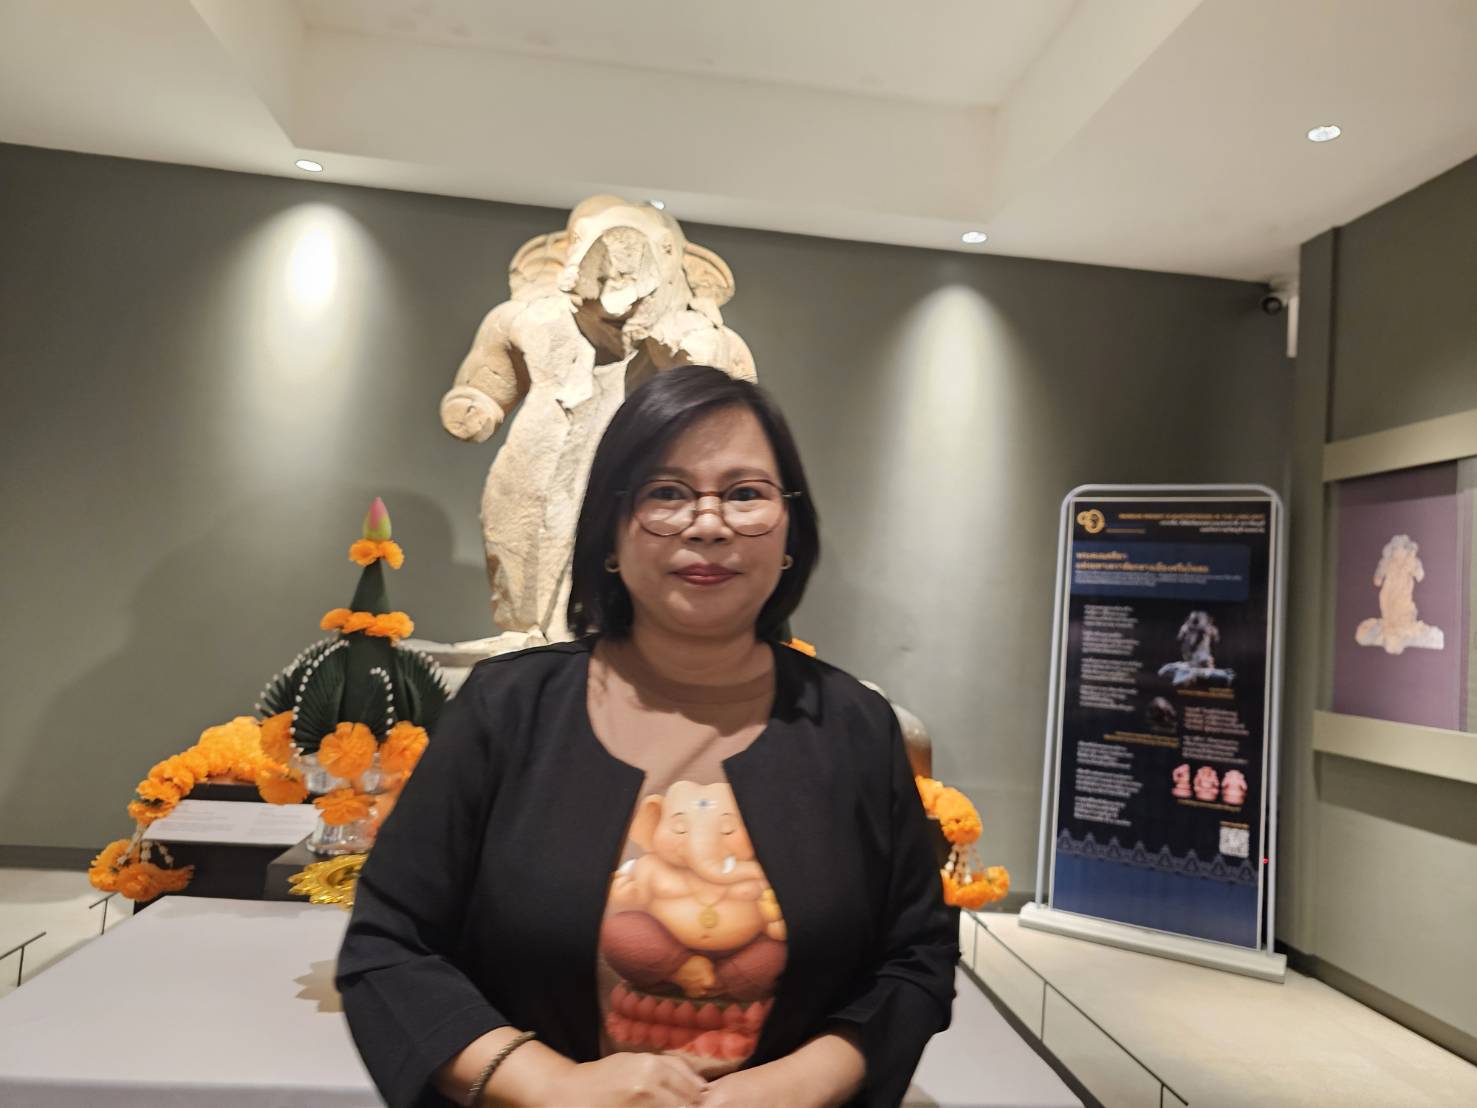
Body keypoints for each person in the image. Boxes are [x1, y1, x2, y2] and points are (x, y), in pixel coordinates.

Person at [338, 366, 958, 1107]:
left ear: (790, 531)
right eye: (666, 493)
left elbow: (915, 956)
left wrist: (795, 1085)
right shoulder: (508, 711)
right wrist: (554, 1085)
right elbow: (389, 945)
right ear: (610, 530)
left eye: (745, 493)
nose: (708, 523)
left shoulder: (853, 727)